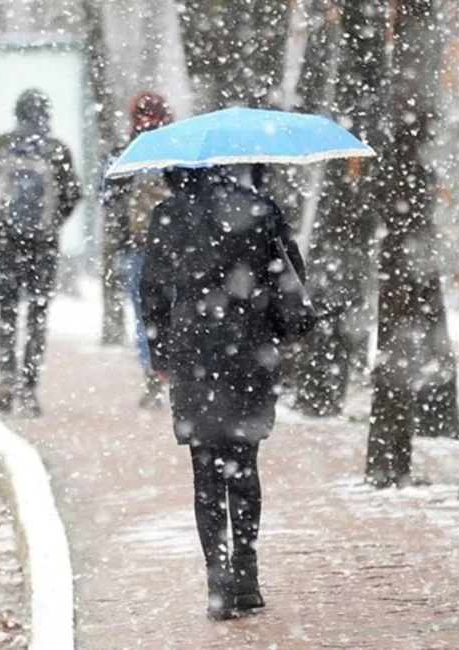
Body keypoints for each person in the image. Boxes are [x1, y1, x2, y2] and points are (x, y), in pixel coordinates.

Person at [140, 165, 306, 620]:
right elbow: (291, 274)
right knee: (244, 463)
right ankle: (247, 576)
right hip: (251, 352)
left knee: (205, 468)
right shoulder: (260, 209)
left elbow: (151, 290)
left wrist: (160, 356)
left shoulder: (168, 215)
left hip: (194, 352)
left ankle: (218, 580)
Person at [0, 89, 82, 417]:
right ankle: (29, 386)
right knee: (38, 315)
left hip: (6, 245)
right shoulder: (55, 149)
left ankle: (6, 379)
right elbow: (73, 193)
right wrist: (50, 225)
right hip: (42, 247)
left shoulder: (0, 146)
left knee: (7, 314)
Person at [102, 91, 176, 408]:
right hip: (175, 249)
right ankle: (176, 374)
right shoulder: (177, 152)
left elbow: (107, 196)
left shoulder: (123, 154)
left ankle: (153, 376)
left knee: (144, 316)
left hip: (136, 248)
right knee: (176, 313)